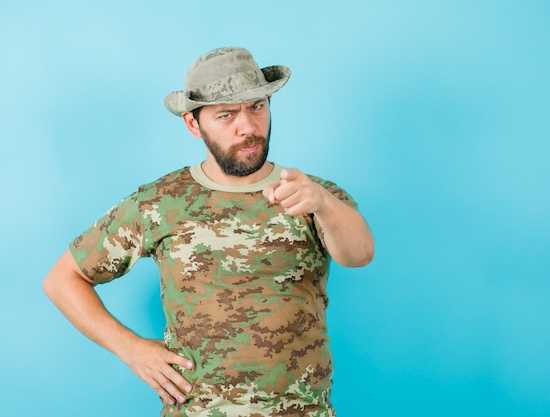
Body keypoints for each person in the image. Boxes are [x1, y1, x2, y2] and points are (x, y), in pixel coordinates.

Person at [43, 46, 374, 417]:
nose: (247, 126)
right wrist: (131, 349)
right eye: (226, 115)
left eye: (257, 107)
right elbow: (63, 279)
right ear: (193, 124)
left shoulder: (310, 194)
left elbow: (359, 255)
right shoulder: (158, 202)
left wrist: (324, 203)